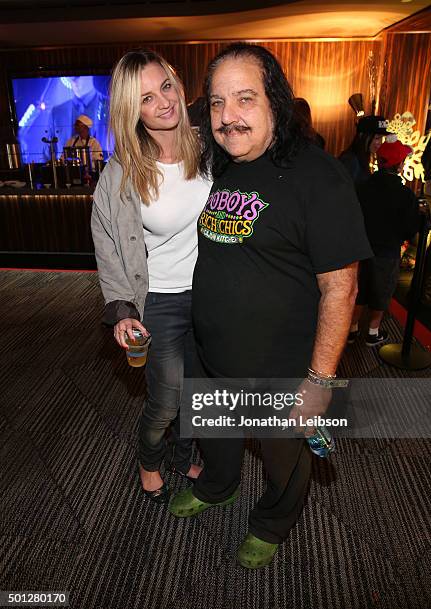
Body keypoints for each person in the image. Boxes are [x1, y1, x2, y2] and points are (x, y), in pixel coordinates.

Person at [168, 43, 372, 568]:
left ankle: (272, 523)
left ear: (275, 103)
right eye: (216, 103)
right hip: (211, 353)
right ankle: (218, 487)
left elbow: (341, 289)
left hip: (281, 372)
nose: (228, 117)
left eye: (244, 99)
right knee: (215, 439)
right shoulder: (225, 162)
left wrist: (320, 382)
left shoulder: (319, 178)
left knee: (285, 464)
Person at [91, 50, 211, 504]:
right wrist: (121, 309)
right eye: (145, 97)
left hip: (210, 296)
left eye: (166, 86)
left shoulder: (210, 147)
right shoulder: (123, 171)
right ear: (131, 110)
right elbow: (106, 241)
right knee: (166, 400)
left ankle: (183, 456)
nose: (163, 101)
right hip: (158, 299)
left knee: (198, 394)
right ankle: (149, 460)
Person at [348, 138, 419, 346]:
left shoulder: (363, 186)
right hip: (387, 252)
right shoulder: (405, 195)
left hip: (361, 248)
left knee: (359, 290)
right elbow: (410, 228)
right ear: (399, 165)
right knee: (382, 291)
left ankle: (352, 330)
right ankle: (372, 332)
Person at [49, 76, 109, 157]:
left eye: (77, 76)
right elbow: (49, 153)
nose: (72, 78)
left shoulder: (111, 107)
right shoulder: (57, 112)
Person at [339, 115, 389, 189]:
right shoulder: (351, 161)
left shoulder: (361, 158)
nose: (380, 143)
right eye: (377, 138)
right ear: (362, 136)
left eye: (381, 138)